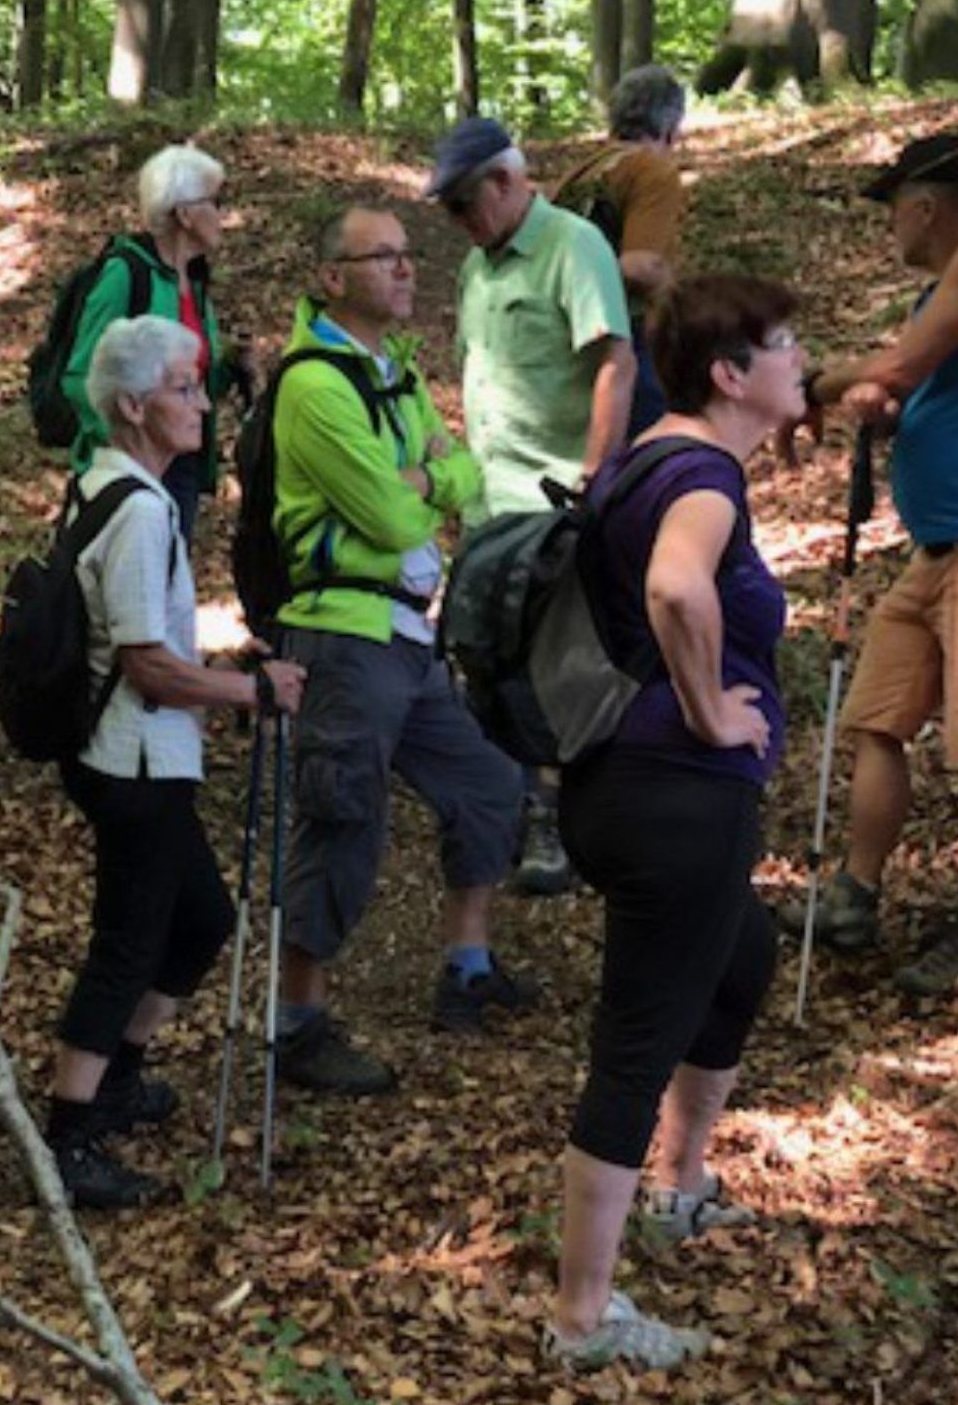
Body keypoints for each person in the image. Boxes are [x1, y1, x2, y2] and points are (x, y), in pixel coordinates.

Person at [546, 275, 803, 1369]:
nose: (802, 360)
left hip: (619, 783)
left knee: (740, 954)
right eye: (783, 345)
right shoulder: (701, 476)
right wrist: (708, 711)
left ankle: (680, 1183)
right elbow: (673, 591)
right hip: (673, 796)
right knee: (632, 1045)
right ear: (729, 375)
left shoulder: (645, 454)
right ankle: (580, 1316)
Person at [266, 206, 531, 1097]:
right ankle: (297, 1023)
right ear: (330, 277)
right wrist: (424, 484)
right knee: (343, 816)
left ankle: (467, 967)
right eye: (381, 257)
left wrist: (423, 480)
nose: (405, 269)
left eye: (407, 255)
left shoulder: (397, 374)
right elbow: (387, 515)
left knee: (489, 785)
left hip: (407, 629)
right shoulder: (312, 386)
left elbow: (463, 473)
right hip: (343, 631)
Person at [41, 316, 304, 1207]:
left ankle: (115, 1073)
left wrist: (229, 678)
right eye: (182, 390)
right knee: (127, 939)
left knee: (199, 918)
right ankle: (69, 1135)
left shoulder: (100, 488)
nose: (199, 404)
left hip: (134, 752)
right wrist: (249, 692)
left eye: (197, 387)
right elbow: (143, 659)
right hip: (130, 759)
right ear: (131, 405)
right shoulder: (142, 510)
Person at [430, 116, 637, 897]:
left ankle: (555, 822)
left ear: (508, 181)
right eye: (447, 209)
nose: (455, 222)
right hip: (489, 496)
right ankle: (506, 810)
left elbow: (613, 358)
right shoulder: (476, 267)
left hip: (554, 495)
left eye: (461, 203)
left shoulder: (571, 246)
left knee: (555, 664)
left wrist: (594, 473)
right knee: (489, 656)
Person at [781, 134, 958, 996]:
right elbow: (907, 383)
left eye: (894, 204)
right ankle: (854, 894)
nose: (890, 222)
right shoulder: (939, 292)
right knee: (877, 715)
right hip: (932, 553)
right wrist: (881, 408)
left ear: (926, 204)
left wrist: (813, 383)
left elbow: (896, 365)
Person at [58, 144, 254, 541]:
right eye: (215, 202)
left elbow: (187, 382)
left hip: (179, 462)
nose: (223, 215)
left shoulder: (194, 284)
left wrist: (229, 368)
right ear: (184, 213)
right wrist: (124, 449)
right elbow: (81, 374)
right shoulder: (125, 275)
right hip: (132, 467)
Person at [551, 64, 691, 437]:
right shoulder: (652, 171)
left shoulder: (579, 174)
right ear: (671, 125)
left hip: (566, 341)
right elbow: (641, 266)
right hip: (627, 342)